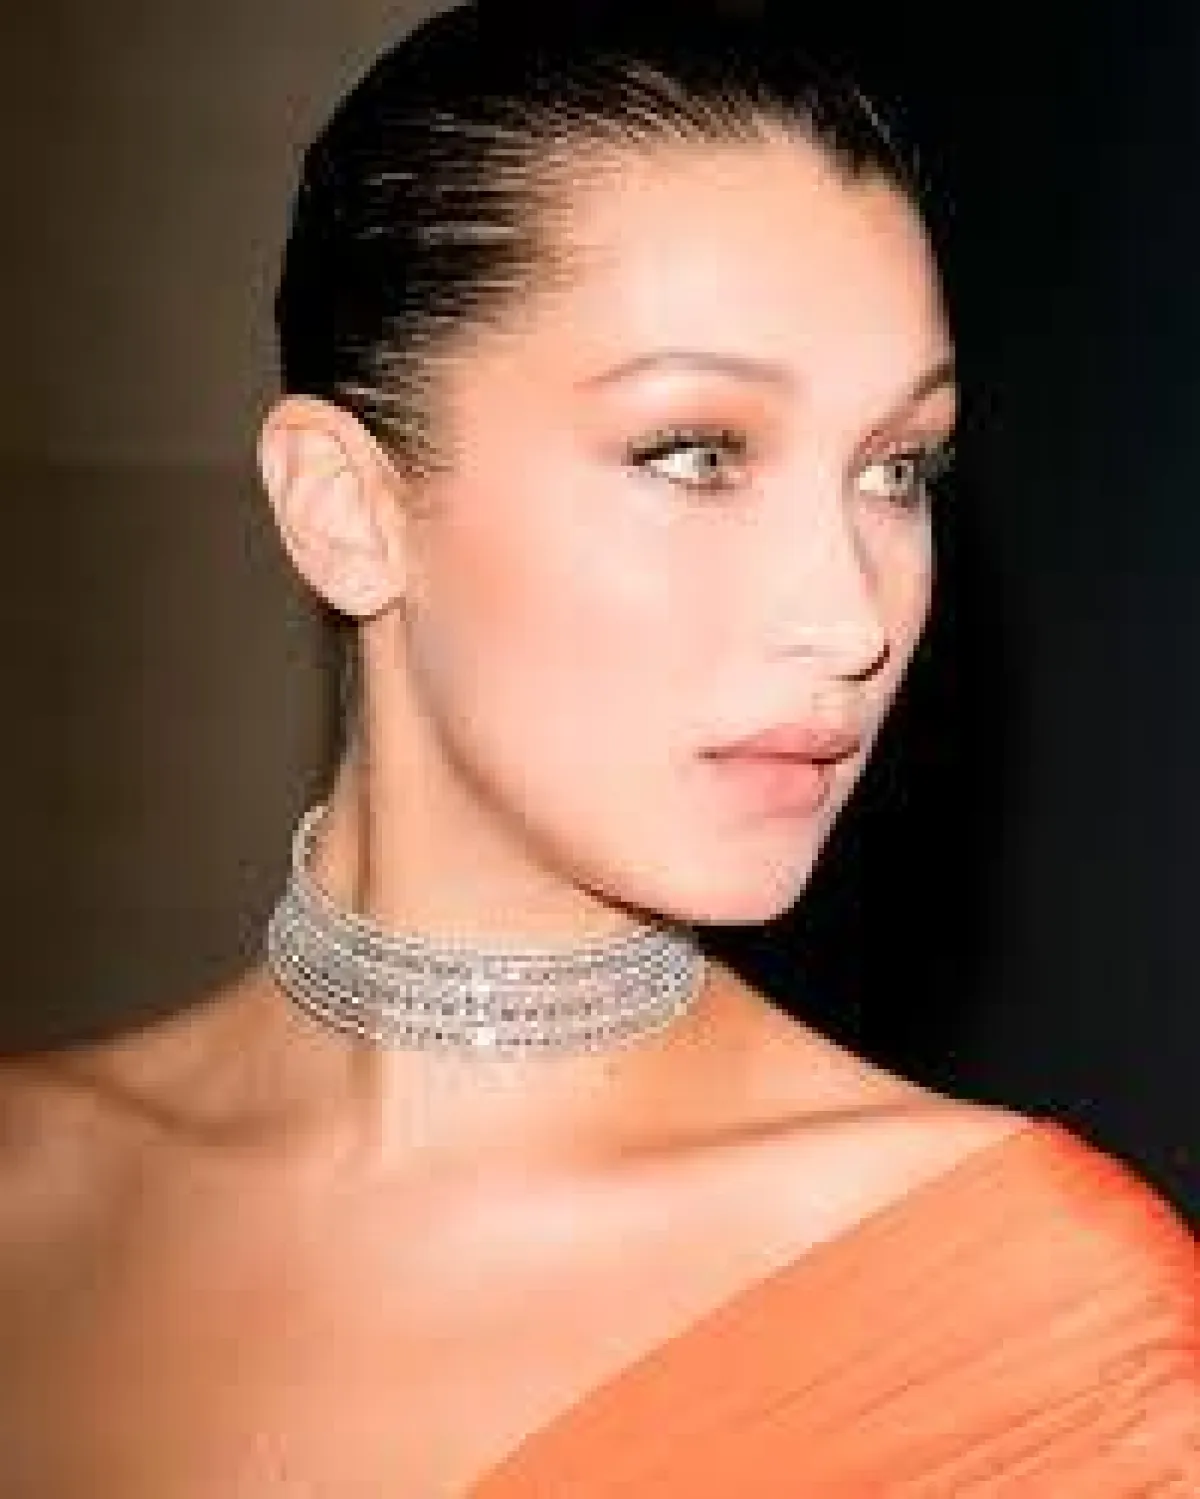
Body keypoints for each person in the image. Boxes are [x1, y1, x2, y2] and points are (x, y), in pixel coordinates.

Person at [1, 2, 1195, 1493]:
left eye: (898, 469)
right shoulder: (25, 1194)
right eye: (696, 453)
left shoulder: (1028, 1329)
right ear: (345, 509)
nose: (850, 618)